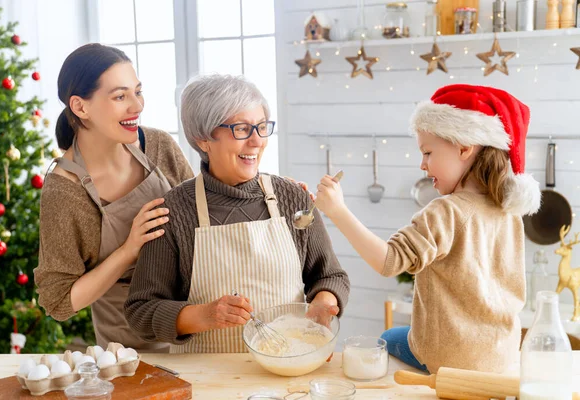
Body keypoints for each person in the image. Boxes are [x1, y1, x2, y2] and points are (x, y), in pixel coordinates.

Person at [313, 84, 541, 373]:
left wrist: (337, 211)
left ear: (463, 147)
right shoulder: (509, 212)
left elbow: (388, 261)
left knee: (387, 339)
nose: (422, 164)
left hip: (453, 361)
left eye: (428, 152)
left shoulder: (446, 210)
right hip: (502, 357)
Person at [124, 74, 350, 353]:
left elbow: (330, 276)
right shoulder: (173, 212)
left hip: (287, 368)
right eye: (242, 129)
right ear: (203, 139)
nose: (257, 141)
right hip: (208, 380)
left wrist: (322, 304)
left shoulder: (292, 198)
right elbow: (141, 312)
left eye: (262, 127)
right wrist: (204, 315)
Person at [34, 43, 194, 351]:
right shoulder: (65, 190)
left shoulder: (158, 145)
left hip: (199, 323)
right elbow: (60, 302)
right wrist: (129, 250)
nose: (137, 105)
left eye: (138, 91)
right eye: (120, 96)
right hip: (131, 351)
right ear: (81, 107)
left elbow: (203, 212)